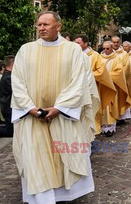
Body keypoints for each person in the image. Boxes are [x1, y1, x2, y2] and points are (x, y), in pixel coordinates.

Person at [11, 11, 95, 203]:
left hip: (62, 117)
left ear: (59, 26)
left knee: (64, 154)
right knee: (36, 159)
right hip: (33, 118)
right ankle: (42, 198)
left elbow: (78, 82)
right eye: (39, 24)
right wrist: (31, 108)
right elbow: (17, 82)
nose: (41, 28)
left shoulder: (73, 50)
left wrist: (59, 108)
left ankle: (65, 195)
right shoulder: (26, 49)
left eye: (46, 24)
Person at [74, 34, 116, 136]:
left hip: (91, 87)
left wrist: (89, 75)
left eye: (78, 42)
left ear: (85, 43)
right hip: (76, 88)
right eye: (75, 42)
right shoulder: (74, 54)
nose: (75, 44)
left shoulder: (94, 56)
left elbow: (101, 71)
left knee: (91, 110)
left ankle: (93, 131)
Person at [100, 41, 131, 136]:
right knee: (102, 107)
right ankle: (102, 126)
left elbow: (119, 72)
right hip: (101, 86)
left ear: (112, 48)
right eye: (104, 48)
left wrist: (106, 77)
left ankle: (110, 128)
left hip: (112, 86)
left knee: (111, 106)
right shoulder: (99, 57)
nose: (105, 50)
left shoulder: (116, 59)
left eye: (107, 48)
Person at [0, 55, 14, 137]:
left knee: (11, 129)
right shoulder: (8, 77)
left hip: (8, 108)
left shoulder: (7, 76)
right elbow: (15, 91)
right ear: (12, 63)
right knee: (10, 132)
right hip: (8, 108)